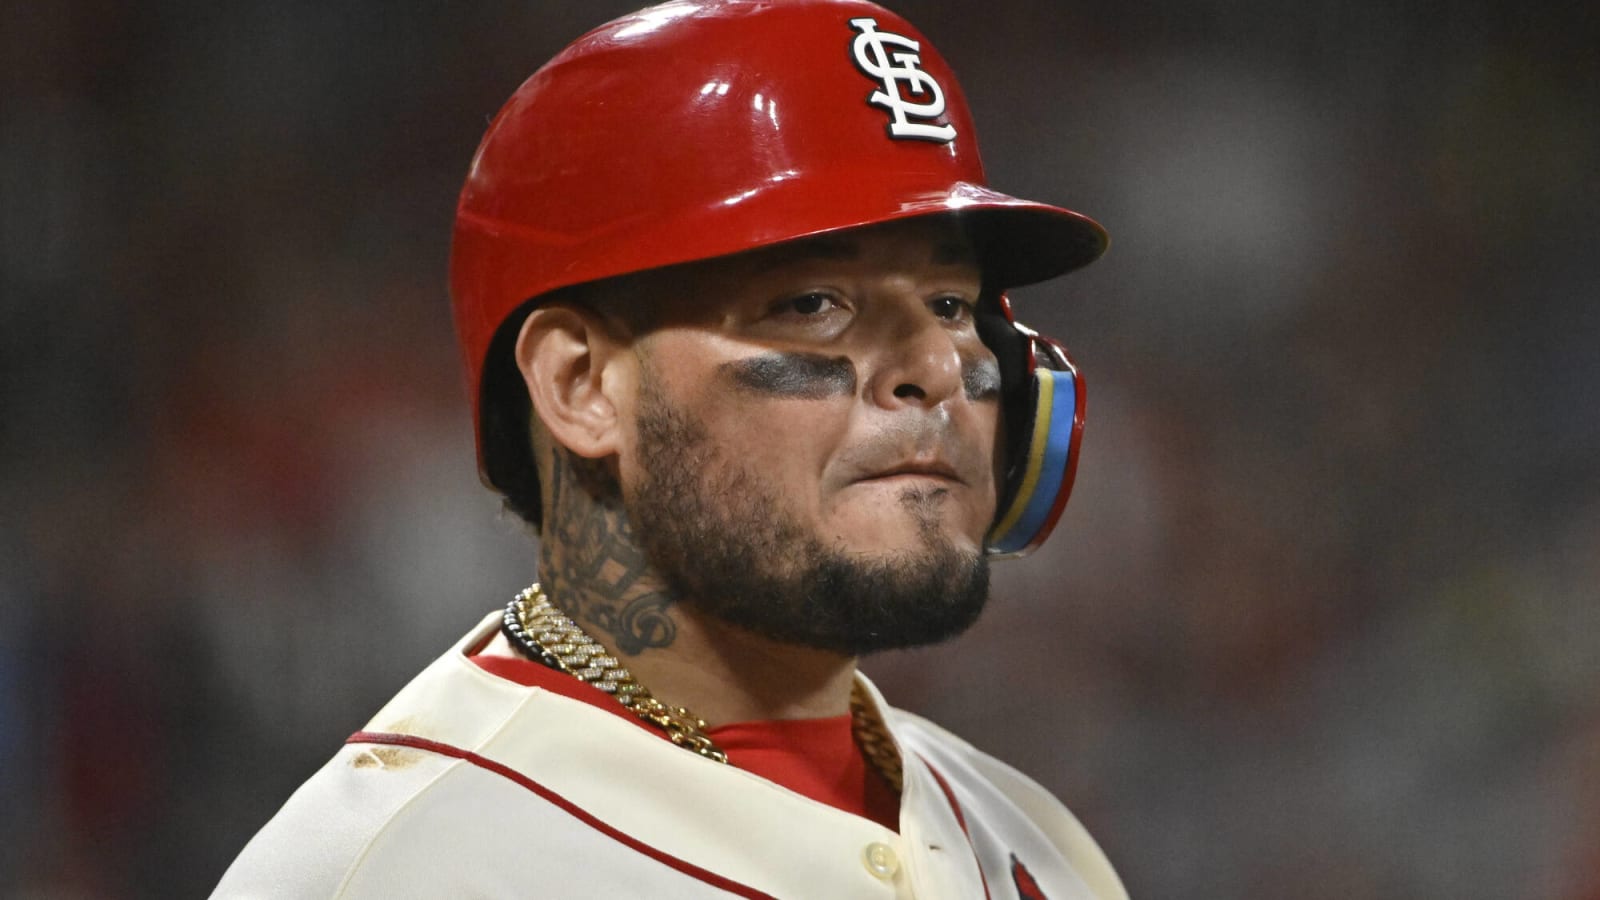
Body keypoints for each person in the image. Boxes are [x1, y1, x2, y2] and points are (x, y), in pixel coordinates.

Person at [214, 0, 1124, 897]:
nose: (938, 367)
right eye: (813, 303)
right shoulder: (397, 870)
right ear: (579, 385)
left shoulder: (1037, 845)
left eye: (952, 305)